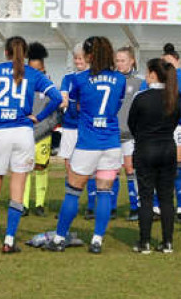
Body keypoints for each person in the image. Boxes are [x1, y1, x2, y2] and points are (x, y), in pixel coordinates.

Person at [0, 36, 62, 253]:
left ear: (6, 52)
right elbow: (56, 98)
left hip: (0, 132)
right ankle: (9, 241)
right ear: (25, 53)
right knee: (17, 188)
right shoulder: (34, 73)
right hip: (23, 133)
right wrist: (39, 116)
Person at [47, 36, 125, 254]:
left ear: (89, 55)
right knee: (104, 192)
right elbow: (116, 106)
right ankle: (97, 240)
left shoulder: (79, 79)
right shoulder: (120, 79)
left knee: (73, 191)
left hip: (88, 143)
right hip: (111, 142)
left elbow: (71, 109)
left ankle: (59, 238)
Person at [128, 58, 181, 254]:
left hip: (146, 149)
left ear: (152, 74)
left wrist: (143, 137)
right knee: (167, 198)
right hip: (168, 149)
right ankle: (167, 242)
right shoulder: (173, 98)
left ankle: (145, 242)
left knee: (146, 197)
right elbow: (175, 122)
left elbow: (131, 123)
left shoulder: (142, 98)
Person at [23, 42, 60, 217]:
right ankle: (23, 204)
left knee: (41, 168)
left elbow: (55, 115)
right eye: (31, 69)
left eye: (38, 69)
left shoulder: (50, 87)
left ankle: (39, 204)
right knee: (24, 168)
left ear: (43, 68)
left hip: (43, 135)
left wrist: (43, 128)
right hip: (25, 134)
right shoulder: (22, 86)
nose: (35, 73)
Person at [159, 43, 181, 220]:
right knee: (159, 168)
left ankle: (180, 207)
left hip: (176, 127)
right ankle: (157, 207)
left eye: (170, 62)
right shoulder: (158, 79)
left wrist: (176, 69)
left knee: (177, 169)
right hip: (159, 127)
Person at [114, 46, 143, 221]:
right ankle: (110, 208)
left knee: (131, 170)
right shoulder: (111, 80)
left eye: (122, 60)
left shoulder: (139, 82)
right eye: (117, 60)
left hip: (131, 135)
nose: (119, 64)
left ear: (132, 61)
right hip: (112, 133)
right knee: (111, 171)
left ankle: (135, 207)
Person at [60, 44, 88, 218]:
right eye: (76, 58)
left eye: (81, 58)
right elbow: (63, 99)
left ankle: (91, 205)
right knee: (69, 164)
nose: (78, 61)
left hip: (85, 127)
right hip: (69, 127)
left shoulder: (92, 77)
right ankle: (71, 204)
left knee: (89, 167)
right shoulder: (68, 78)